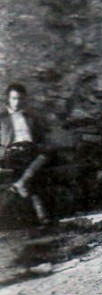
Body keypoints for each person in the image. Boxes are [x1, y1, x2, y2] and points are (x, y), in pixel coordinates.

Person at [0, 83, 49, 223]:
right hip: (12, 152)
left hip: (30, 151)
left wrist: (37, 146)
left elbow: (41, 138)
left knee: (44, 156)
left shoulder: (30, 117)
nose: (17, 102)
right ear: (8, 99)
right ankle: (41, 214)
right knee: (30, 171)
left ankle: (20, 184)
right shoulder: (1, 119)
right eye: (14, 98)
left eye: (20, 99)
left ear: (24, 99)